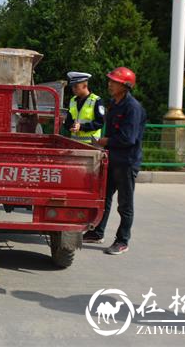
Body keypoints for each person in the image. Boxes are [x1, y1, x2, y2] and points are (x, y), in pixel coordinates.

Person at [82, 67, 146, 256]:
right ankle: (97, 232)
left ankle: (122, 240)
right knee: (104, 197)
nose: (110, 84)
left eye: (114, 82)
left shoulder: (132, 108)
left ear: (125, 86)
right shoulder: (113, 103)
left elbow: (128, 138)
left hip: (127, 162)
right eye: (110, 81)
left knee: (124, 204)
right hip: (111, 158)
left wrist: (104, 142)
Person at [64, 71, 104, 144]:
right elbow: (68, 121)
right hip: (74, 143)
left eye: (76, 86)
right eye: (72, 86)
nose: (73, 89)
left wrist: (81, 127)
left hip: (91, 144)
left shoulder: (96, 100)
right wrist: (71, 125)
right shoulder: (72, 100)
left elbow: (100, 123)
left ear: (85, 85)